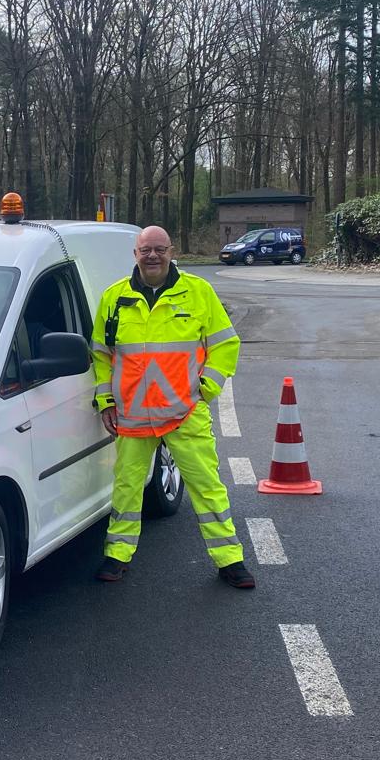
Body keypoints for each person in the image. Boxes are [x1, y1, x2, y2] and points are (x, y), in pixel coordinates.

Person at [90, 226, 253, 589]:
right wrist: (106, 400)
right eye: (145, 249)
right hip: (131, 413)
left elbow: (226, 344)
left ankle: (229, 559)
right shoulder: (114, 298)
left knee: (206, 486)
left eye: (159, 249)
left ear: (171, 251)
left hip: (184, 411)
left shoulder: (197, 292)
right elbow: (101, 355)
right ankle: (117, 555)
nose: (152, 256)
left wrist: (204, 390)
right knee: (127, 487)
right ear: (135, 253)